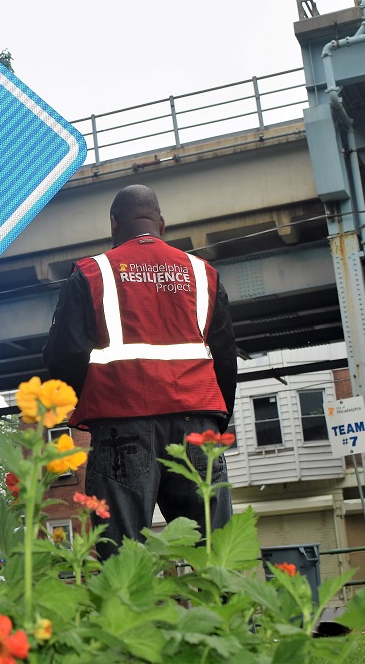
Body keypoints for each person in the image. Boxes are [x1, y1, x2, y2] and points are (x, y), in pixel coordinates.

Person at [43, 184, 237, 559]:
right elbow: (225, 356)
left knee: (122, 557)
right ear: (161, 224)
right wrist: (215, 421)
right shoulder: (202, 274)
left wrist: (95, 399)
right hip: (197, 426)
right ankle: (230, 618)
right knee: (218, 555)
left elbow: (64, 355)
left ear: (114, 225)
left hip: (121, 428)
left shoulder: (92, 273)